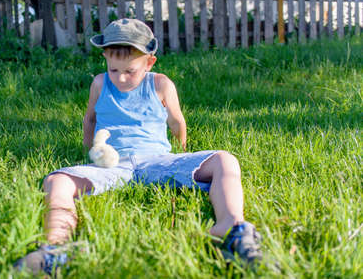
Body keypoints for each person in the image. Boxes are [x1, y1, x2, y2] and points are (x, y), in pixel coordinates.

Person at [14, 18, 262, 275]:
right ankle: (56, 246)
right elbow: (90, 119)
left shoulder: (161, 84)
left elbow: (177, 122)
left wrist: (182, 152)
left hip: (156, 160)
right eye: (114, 70)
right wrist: (88, 151)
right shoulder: (100, 84)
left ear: (149, 62)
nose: (120, 78)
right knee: (57, 181)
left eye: (130, 71)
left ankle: (231, 227)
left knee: (225, 160)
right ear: (106, 60)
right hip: (113, 164)